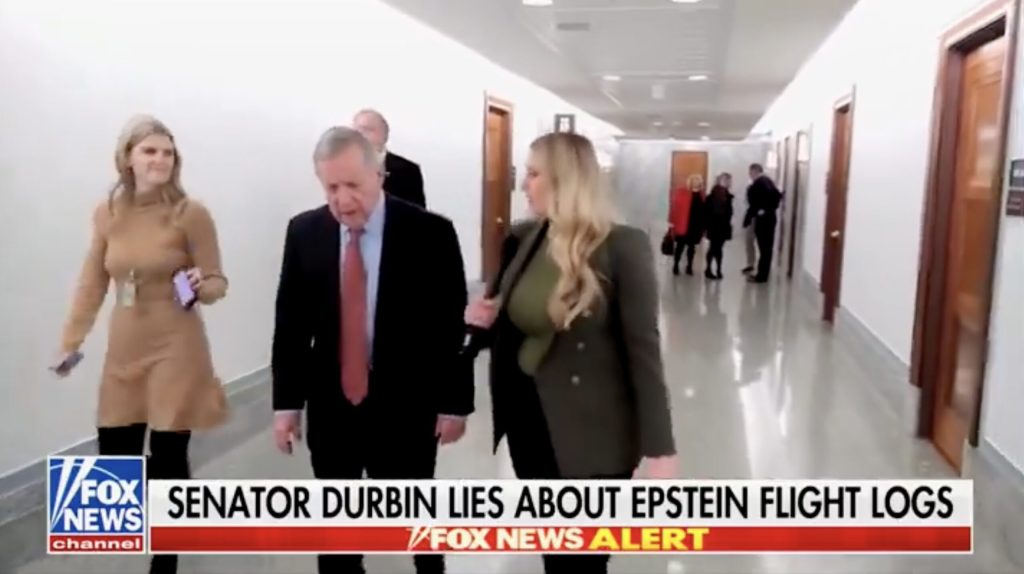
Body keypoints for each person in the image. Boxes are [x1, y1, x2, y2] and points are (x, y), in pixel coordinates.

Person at [464, 132, 677, 574]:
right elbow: (513, 321)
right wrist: (485, 318)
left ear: (565, 179)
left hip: (592, 434)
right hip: (530, 422)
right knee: (554, 550)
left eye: (534, 173)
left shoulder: (622, 246)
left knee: (581, 561)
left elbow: (644, 350)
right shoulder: (525, 237)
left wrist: (660, 448)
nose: (523, 183)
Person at [271, 126, 470, 574]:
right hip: (332, 407)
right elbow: (291, 324)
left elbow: (449, 327)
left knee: (418, 527)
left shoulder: (430, 233)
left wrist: (454, 403)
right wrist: (286, 405)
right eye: (331, 188)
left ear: (378, 175)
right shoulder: (305, 232)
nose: (342, 200)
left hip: (406, 407)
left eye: (352, 185)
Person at [51, 115, 229, 574]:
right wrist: (70, 341)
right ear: (127, 158)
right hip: (126, 346)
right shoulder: (108, 213)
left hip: (177, 345)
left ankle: (166, 557)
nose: (159, 160)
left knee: (169, 452)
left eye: (167, 152)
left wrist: (202, 284)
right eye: (149, 151)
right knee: (116, 456)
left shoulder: (190, 213)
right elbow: (92, 282)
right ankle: (182, 502)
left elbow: (216, 281)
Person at [353, 108, 426, 208]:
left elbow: (418, 214)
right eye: (356, 131)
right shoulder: (339, 168)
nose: (361, 135)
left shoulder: (408, 170)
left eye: (367, 130)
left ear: (385, 135)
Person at [743, 163, 782, 283]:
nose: (750, 175)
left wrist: (762, 210)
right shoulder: (768, 182)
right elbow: (778, 196)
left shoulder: (760, 183)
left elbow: (754, 203)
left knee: (764, 248)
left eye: (751, 173)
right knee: (766, 249)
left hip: (764, 221)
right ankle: (763, 274)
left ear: (755, 171)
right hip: (769, 219)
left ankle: (761, 276)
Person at [668, 173, 706, 275]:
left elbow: (704, 211)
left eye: (698, 181)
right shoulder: (682, 192)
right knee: (680, 247)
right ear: (690, 182)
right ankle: (676, 265)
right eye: (694, 180)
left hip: (695, 225)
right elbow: (675, 208)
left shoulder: (702, 195)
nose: (696, 183)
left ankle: (689, 266)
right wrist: (672, 222)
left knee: (691, 248)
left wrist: (703, 226)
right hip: (684, 223)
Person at [703, 172, 735, 280]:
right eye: (725, 180)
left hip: (723, 226)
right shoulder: (712, 196)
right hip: (714, 225)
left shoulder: (728, 196)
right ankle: (709, 269)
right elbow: (707, 212)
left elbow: (728, 212)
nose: (727, 182)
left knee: (719, 248)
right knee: (713, 247)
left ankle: (718, 269)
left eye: (728, 180)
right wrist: (706, 227)